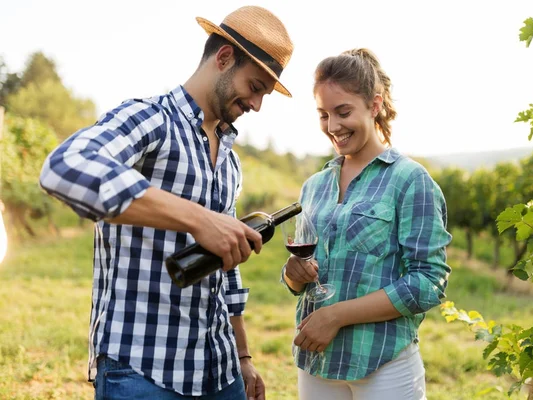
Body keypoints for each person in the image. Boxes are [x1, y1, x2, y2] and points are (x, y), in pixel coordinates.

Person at [39, 6, 294, 400]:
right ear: (224, 57)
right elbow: (65, 166)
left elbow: (227, 265)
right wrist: (197, 220)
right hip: (143, 369)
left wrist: (242, 356)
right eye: (255, 86)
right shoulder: (150, 118)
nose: (257, 104)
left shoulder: (230, 158)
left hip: (219, 369)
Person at [281, 48, 452, 400]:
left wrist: (337, 316)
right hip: (317, 362)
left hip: (383, 364)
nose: (333, 127)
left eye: (343, 112)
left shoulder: (409, 180)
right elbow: (305, 276)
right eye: (323, 115)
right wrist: (293, 275)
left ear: (374, 105)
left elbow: (428, 283)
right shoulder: (314, 186)